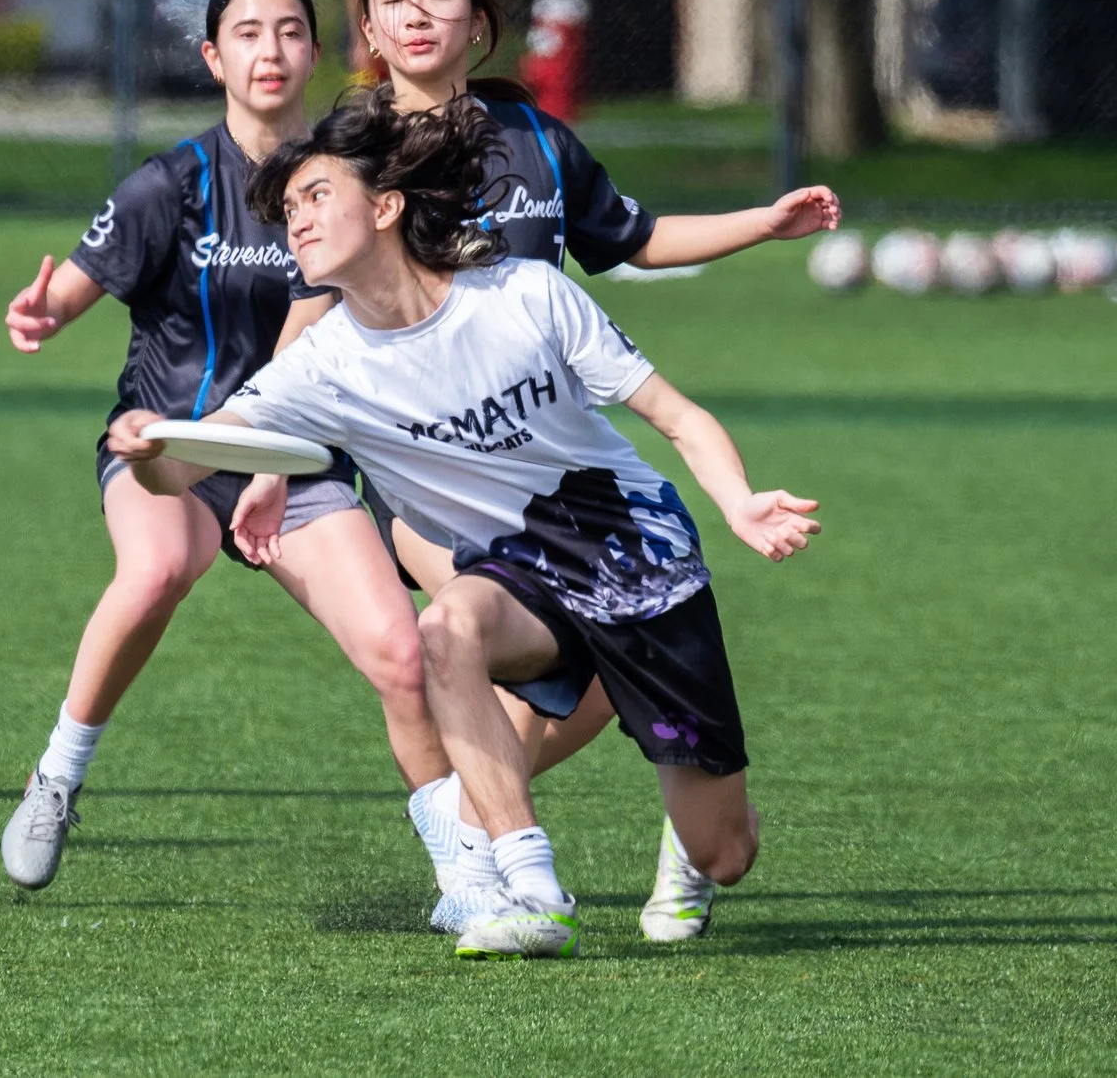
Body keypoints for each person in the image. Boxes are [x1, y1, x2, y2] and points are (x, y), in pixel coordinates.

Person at [108, 94, 819, 958]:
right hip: (515, 571)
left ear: (385, 205)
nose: (297, 221)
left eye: (317, 196)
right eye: (287, 208)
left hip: (637, 560)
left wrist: (738, 499)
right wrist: (147, 448)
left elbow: (675, 415)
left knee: (726, 850)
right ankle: (532, 890)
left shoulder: (524, 295)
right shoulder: (321, 367)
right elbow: (188, 461)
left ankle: (694, 823)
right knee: (442, 633)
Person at [260, 0, 839, 937]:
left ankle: (671, 807)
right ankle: (495, 869)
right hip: (432, 477)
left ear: (480, 21)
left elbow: (635, 238)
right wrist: (271, 451)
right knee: (445, 645)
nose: (415, 12)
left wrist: (762, 220)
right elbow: (315, 299)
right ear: (367, 28)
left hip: (565, 468)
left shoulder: (533, 136)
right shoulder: (353, 147)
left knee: (577, 672)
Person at [0, 0, 462, 914]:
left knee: (400, 654)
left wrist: (276, 454)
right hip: (171, 446)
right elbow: (76, 288)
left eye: (290, 30)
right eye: (247, 32)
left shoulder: (353, 185)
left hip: (299, 460)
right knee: (159, 568)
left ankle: (468, 873)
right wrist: (41, 312)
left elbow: (339, 318)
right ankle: (56, 775)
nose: (271, 50)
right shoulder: (168, 183)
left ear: (316, 52)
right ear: (214, 56)